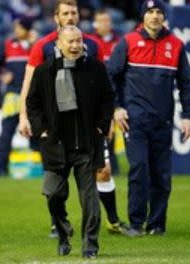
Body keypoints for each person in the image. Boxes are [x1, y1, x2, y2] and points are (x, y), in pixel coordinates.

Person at [17, 0, 128, 237]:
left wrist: (108, 116)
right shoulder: (42, 46)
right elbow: (29, 84)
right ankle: (58, 223)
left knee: (104, 170)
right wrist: (24, 117)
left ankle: (113, 220)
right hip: (56, 125)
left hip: (88, 124)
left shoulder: (93, 44)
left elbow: (103, 85)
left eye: (73, 13)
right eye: (65, 13)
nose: (70, 17)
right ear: (56, 17)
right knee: (58, 174)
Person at [108, 0, 190, 236]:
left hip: (163, 121)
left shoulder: (176, 45)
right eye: (150, 12)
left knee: (162, 176)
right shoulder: (127, 42)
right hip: (134, 120)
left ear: (164, 16)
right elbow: (110, 76)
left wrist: (188, 116)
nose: (155, 16)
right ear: (142, 16)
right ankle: (136, 224)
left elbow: (186, 83)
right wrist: (116, 107)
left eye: (159, 12)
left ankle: (157, 224)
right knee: (139, 168)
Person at [26, 25, 114, 258]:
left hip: (87, 145)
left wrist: (101, 126)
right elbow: (32, 103)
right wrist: (42, 130)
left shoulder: (95, 68)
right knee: (53, 194)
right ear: (59, 44)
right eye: (70, 42)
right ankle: (64, 233)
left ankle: (90, 246)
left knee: (90, 200)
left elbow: (108, 98)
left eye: (79, 41)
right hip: (56, 145)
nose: (75, 46)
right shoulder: (44, 71)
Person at [92, 8, 129, 234]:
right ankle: (58, 222)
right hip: (91, 106)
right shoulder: (89, 43)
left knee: (104, 164)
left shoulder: (120, 42)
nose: (104, 23)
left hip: (111, 103)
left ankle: (112, 220)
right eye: (100, 20)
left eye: (107, 19)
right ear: (95, 24)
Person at [0, 17, 37, 176]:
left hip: (33, 97)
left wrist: (33, 44)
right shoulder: (7, 45)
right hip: (13, 96)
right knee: (6, 135)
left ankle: (39, 169)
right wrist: (2, 74)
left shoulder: (37, 47)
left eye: (19, 28)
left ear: (27, 30)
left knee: (36, 135)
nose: (16, 31)